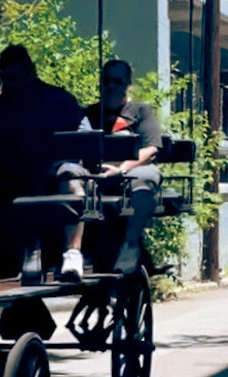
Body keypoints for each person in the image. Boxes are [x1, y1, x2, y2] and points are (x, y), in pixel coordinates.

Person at [0, 45, 85, 281]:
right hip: (7, 183)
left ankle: (73, 253)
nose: (16, 85)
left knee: (72, 179)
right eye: (9, 78)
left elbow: (83, 140)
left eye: (19, 77)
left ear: (31, 71)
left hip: (52, 177)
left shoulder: (60, 101)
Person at [57, 58, 162, 281]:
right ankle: (73, 252)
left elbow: (150, 148)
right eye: (106, 81)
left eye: (117, 81)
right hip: (95, 172)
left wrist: (122, 168)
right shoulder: (90, 113)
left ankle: (130, 246)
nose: (111, 86)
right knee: (68, 174)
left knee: (144, 182)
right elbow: (78, 145)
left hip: (132, 170)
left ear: (128, 84)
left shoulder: (141, 111)